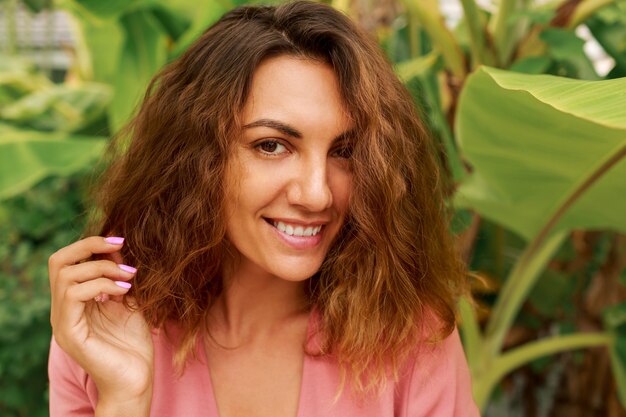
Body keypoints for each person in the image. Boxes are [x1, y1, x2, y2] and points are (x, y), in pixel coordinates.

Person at [48, 1, 480, 416]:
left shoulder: (410, 334)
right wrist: (125, 399)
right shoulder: (107, 331)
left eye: (344, 151)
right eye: (272, 146)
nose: (317, 195)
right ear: (196, 159)